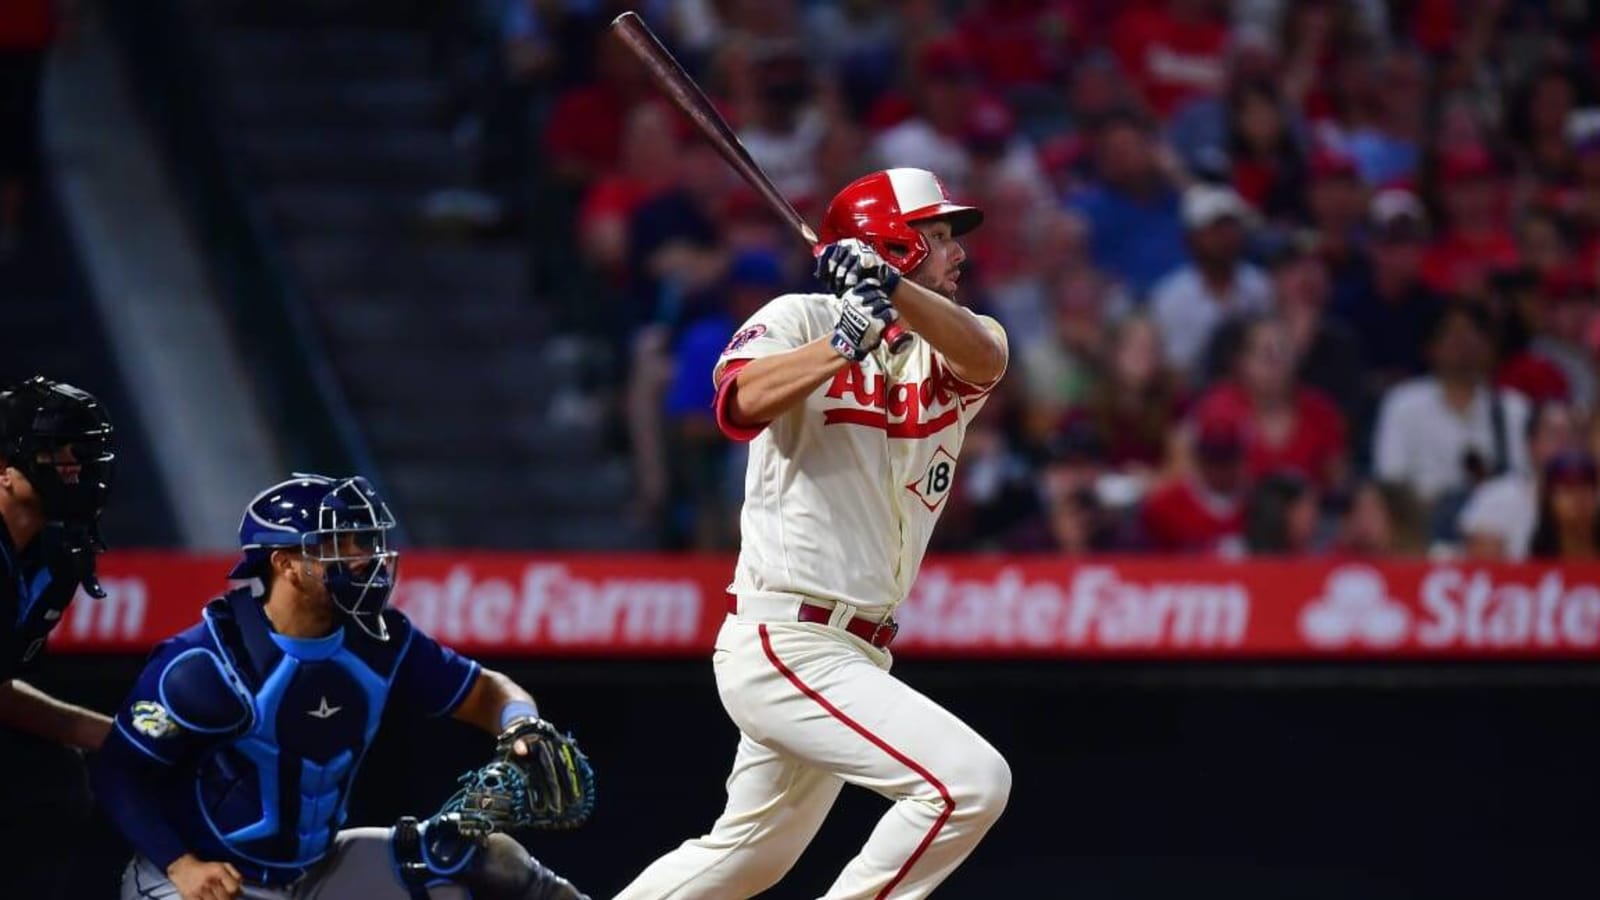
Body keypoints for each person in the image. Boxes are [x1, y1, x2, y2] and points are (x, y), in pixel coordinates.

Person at [614, 167, 1012, 899]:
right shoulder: (798, 316)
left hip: (858, 647)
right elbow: (738, 407)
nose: (959, 253)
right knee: (969, 784)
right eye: (939, 235)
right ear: (892, 241)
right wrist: (843, 338)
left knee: (746, 857)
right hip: (786, 635)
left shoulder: (958, 339)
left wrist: (890, 294)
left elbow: (985, 358)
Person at [91, 473, 591, 900]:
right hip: (199, 880)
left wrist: (520, 722)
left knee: (480, 859)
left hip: (313, 872)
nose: (363, 558)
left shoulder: (384, 641)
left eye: (365, 542)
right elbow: (118, 773)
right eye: (339, 545)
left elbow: (487, 691)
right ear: (284, 562)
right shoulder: (205, 660)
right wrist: (181, 865)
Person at [0, 375, 118, 899]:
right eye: (55, 451)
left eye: (80, 451)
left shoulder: (54, 556)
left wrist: (110, 737)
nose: (73, 464)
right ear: (4, 470)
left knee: (54, 776)